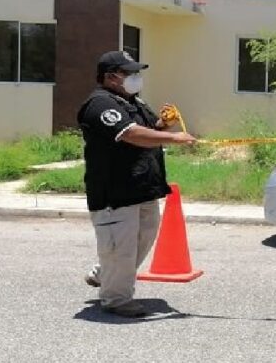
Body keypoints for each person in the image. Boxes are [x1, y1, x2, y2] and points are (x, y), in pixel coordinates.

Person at [77, 51, 196, 317]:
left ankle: (104, 273)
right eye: (129, 73)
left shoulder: (133, 102)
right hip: (115, 191)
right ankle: (116, 299)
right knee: (121, 245)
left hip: (142, 187)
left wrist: (163, 124)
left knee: (143, 237)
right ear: (110, 77)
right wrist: (175, 138)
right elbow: (130, 133)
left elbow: (148, 128)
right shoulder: (100, 105)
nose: (135, 77)